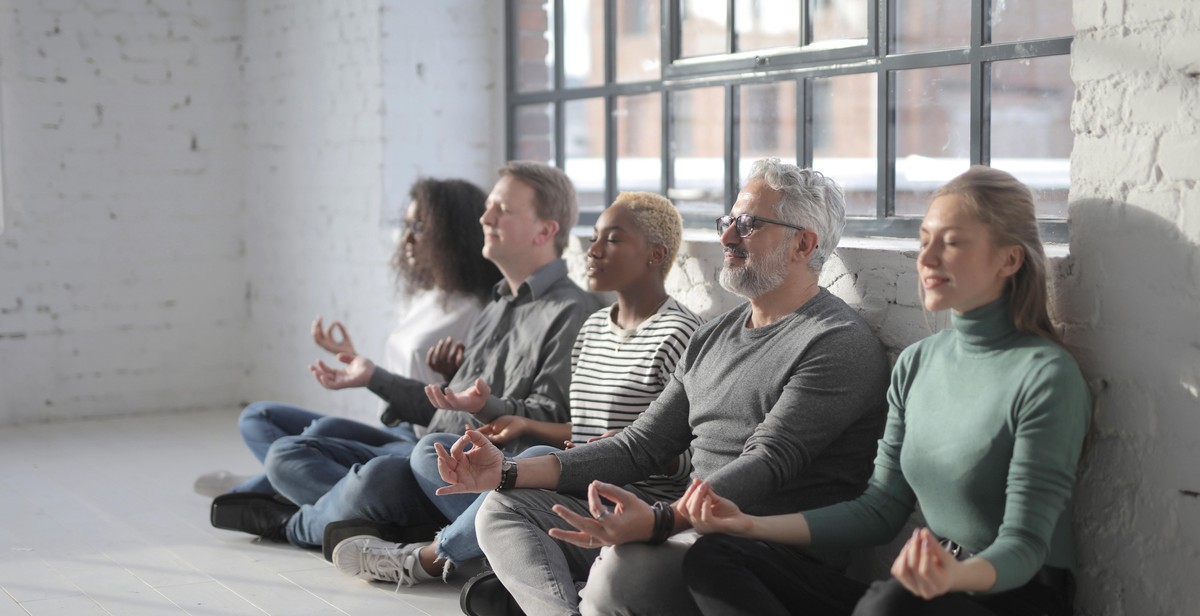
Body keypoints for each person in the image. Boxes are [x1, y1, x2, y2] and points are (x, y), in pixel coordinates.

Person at [435, 158, 891, 616]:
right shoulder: (713, 335)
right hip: (680, 526)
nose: (727, 237)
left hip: (751, 558)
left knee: (622, 568)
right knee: (502, 509)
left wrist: (659, 521)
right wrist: (507, 471)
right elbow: (641, 445)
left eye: (748, 225)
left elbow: (767, 461)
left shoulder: (836, 343)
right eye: (728, 221)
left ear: (803, 244)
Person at [678, 166, 1091, 616]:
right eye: (925, 240)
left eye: (951, 243)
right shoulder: (918, 362)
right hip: (922, 592)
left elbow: (1026, 546)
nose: (927, 259)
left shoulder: (1046, 375)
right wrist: (750, 525)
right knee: (716, 555)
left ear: (1009, 260)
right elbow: (879, 510)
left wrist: (952, 577)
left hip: (1009, 597)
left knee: (888, 604)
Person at [209, 161, 601, 548]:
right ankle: (379, 519)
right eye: (489, 207)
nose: (486, 218)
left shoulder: (571, 312)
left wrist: (487, 406)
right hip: (428, 448)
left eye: (503, 210)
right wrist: (376, 377)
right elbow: (444, 410)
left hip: (468, 470)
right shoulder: (496, 306)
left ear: (545, 231)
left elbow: (552, 421)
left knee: (375, 477)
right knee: (286, 453)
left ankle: (295, 523)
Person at [329, 192, 703, 589]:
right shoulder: (592, 329)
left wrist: (630, 449)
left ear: (655, 254)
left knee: (531, 467)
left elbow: (692, 452)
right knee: (433, 451)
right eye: (594, 236)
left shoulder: (682, 334)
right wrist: (521, 422)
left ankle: (425, 560)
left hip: (631, 501)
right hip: (579, 478)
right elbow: (582, 428)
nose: (592, 250)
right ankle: (496, 551)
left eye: (612, 239)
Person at [194, 178, 500, 498]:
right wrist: (357, 363)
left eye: (420, 226)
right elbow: (403, 382)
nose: (407, 238)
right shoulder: (428, 296)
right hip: (397, 427)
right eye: (407, 224)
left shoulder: (477, 311)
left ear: (452, 234)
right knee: (258, 417)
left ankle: (264, 487)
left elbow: (464, 404)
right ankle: (288, 482)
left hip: (426, 442)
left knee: (320, 434)